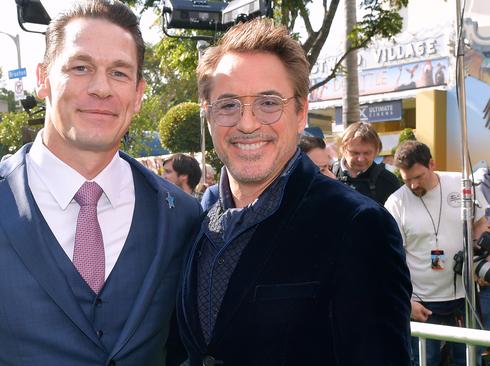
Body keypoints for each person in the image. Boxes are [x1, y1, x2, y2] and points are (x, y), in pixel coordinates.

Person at [0, 1, 201, 365]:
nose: (101, 88)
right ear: (42, 78)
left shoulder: (179, 215)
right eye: (80, 67)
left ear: (139, 93)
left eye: (119, 73)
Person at [177, 18, 412, 365]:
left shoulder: (357, 226)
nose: (247, 123)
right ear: (207, 115)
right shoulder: (198, 216)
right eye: (228, 104)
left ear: (301, 112)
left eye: (269, 102)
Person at [384, 141, 490, 366]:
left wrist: (482, 247)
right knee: (425, 361)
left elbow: (480, 224)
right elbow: (390, 261)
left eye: (418, 177)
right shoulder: (396, 202)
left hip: (464, 296)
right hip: (422, 302)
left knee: (469, 360)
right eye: (407, 179)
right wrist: (406, 301)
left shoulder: (462, 184)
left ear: (432, 164)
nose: (413, 185)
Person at [333, 121, 402, 204]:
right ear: (343, 149)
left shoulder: (388, 182)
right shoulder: (328, 174)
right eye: (355, 153)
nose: (361, 159)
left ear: (377, 151)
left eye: (367, 153)